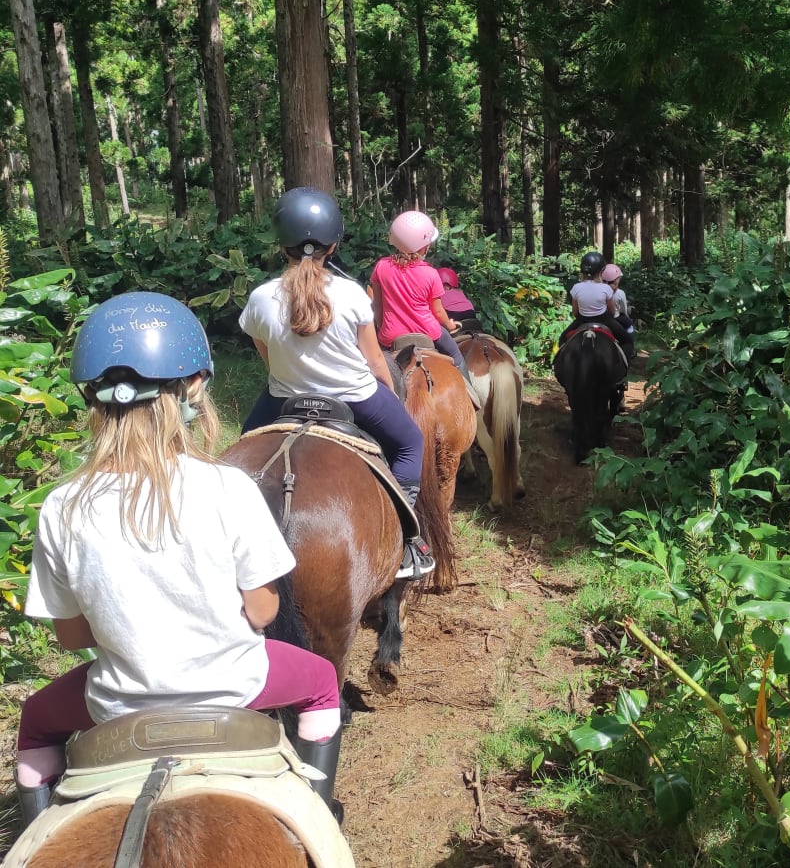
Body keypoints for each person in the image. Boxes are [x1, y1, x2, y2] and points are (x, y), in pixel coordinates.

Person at [15, 291, 344, 832]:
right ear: (193, 387)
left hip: (116, 705)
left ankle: (33, 828)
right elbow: (263, 614)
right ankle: (320, 813)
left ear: (91, 398)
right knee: (322, 681)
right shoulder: (228, 487)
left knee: (34, 722)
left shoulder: (61, 505)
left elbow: (72, 638)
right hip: (239, 685)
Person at [239, 187, 435, 582]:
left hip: (283, 399)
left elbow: (268, 359)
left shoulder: (260, 298)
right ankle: (406, 536)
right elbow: (375, 359)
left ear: (283, 246)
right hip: (356, 399)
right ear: (333, 245)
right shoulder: (349, 294)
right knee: (411, 442)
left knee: (241, 452)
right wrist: (390, 390)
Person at [369, 211, 479, 402]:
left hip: (391, 336)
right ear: (424, 246)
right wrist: (451, 325)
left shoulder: (381, 267)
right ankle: (472, 398)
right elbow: (437, 311)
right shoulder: (430, 273)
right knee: (457, 357)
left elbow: (377, 306)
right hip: (429, 333)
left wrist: (382, 326)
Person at [559, 251, 634, 360]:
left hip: (582, 321)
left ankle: (559, 366)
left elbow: (575, 312)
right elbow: (612, 312)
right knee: (627, 340)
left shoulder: (576, 287)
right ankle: (622, 366)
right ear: (601, 271)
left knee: (562, 339)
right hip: (604, 320)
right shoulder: (606, 288)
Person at [602, 263, 635, 356]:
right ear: (616, 279)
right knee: (630, 327)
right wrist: (626, 316)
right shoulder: (620, 293)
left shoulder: (600, 290)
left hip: (601, 317)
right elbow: (623, 309)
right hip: (616, 318)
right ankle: (630, 350)